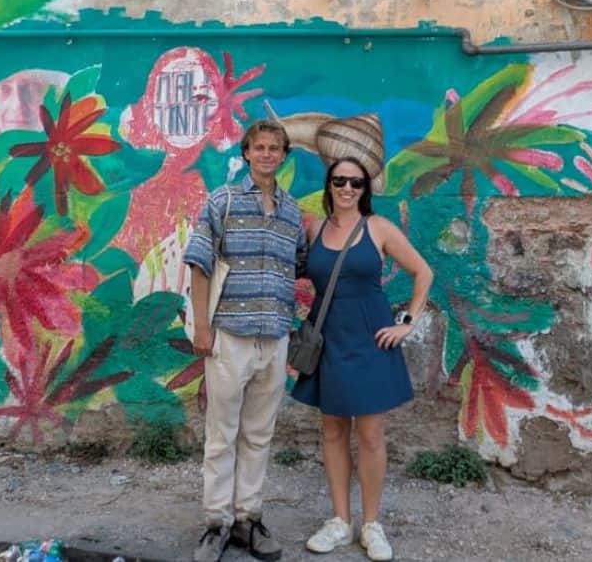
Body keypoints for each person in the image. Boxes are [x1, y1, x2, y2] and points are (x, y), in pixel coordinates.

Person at [291, 157, 433, 562]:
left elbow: (423, 273)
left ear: (364, 188)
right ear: (330, 185)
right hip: (328, 337)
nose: (348, 188)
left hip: (371, 339)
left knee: (370, 434)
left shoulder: (379, 228)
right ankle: (340, 520)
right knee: (333, 430)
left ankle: (372, 524)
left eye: (356, 182)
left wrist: (407, 323)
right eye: (340, 180)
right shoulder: (314, 229)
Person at [183, 119, 307, 562]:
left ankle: (247, 520)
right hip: (229, 337)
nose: (268, 154)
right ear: (247, 153)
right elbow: (199, 263)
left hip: (273, 338)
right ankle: (215, 523)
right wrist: (202, 327)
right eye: (260, 147)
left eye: (276, 148)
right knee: (222, 435)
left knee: (259, 434)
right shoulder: (225, 201)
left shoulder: (293, 213)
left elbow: (298, 266)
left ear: (284, 155)